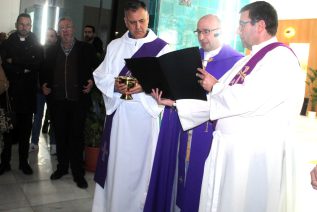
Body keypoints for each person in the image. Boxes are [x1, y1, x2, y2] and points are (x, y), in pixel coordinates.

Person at [152, 1, 305, 212]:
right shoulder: (247, 62)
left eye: (242, 24)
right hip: (233, 153)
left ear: (260, 25)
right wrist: (176, 103)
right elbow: (219, 104)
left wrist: (215, 86)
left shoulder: (280, 58)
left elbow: (248, 99)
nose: (238, 30)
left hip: (252, 157)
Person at [144, 14, 243, 212]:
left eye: (207, 32)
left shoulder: (236, 63)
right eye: (199, 32)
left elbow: (232, 101)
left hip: (209, 132)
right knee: (177, 174)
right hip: (180, 126)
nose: (202, 37)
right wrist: (167, 98)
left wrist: (215, 87)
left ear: (219, 31)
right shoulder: (188, 57)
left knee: (200, 181)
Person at [92, 1, 170, 211]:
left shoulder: (162, 48)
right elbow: (100, 75)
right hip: (119, 118)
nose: (138, 27)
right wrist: (115, 86)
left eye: (142, 21)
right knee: (118, 168)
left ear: (148, 18)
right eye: (133, 22)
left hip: (144, 118)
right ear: (125, 21)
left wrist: (145, 87)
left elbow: (168, 84)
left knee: (141, 170)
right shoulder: (115, 46)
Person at [41, 17, 96, 189]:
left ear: (74, 29)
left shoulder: (86, 49)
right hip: (57, 101)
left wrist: (92, 81)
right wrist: (43, 84)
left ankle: (78, 173)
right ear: (58, 31)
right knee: (61, 135)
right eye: (62, 27)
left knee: (76, 137)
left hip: (78, 100)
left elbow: (97, 70)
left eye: (68, 27)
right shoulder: (50, 50)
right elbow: (44, 71)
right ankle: (62, 168)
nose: (65, 30)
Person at [0, 13, 43, 175]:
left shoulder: (36, 43)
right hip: (9, 95)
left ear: (30, 26)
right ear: (16, 24)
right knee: (8, 132)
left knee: (25, 132)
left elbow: (37, 63)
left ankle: (23, 163)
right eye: (22, 24)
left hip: (28, 94)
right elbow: (4, 65)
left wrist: (15, 61)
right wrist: (24, 67)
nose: (24, 27)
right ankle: (5, 163)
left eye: (27, 24)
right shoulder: (7, 42)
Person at [29, 28, 58, 154]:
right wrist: (42, 87)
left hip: (54, 91)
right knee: (38, 117)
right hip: (40, 90)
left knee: (54, 118)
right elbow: (36, 71)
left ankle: (53, 144)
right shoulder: (39, 51)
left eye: (52, 36)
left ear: (56, 38)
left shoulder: (59, 52)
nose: (49, 38)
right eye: (47, 36)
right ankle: (34, 143)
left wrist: (50, 87)